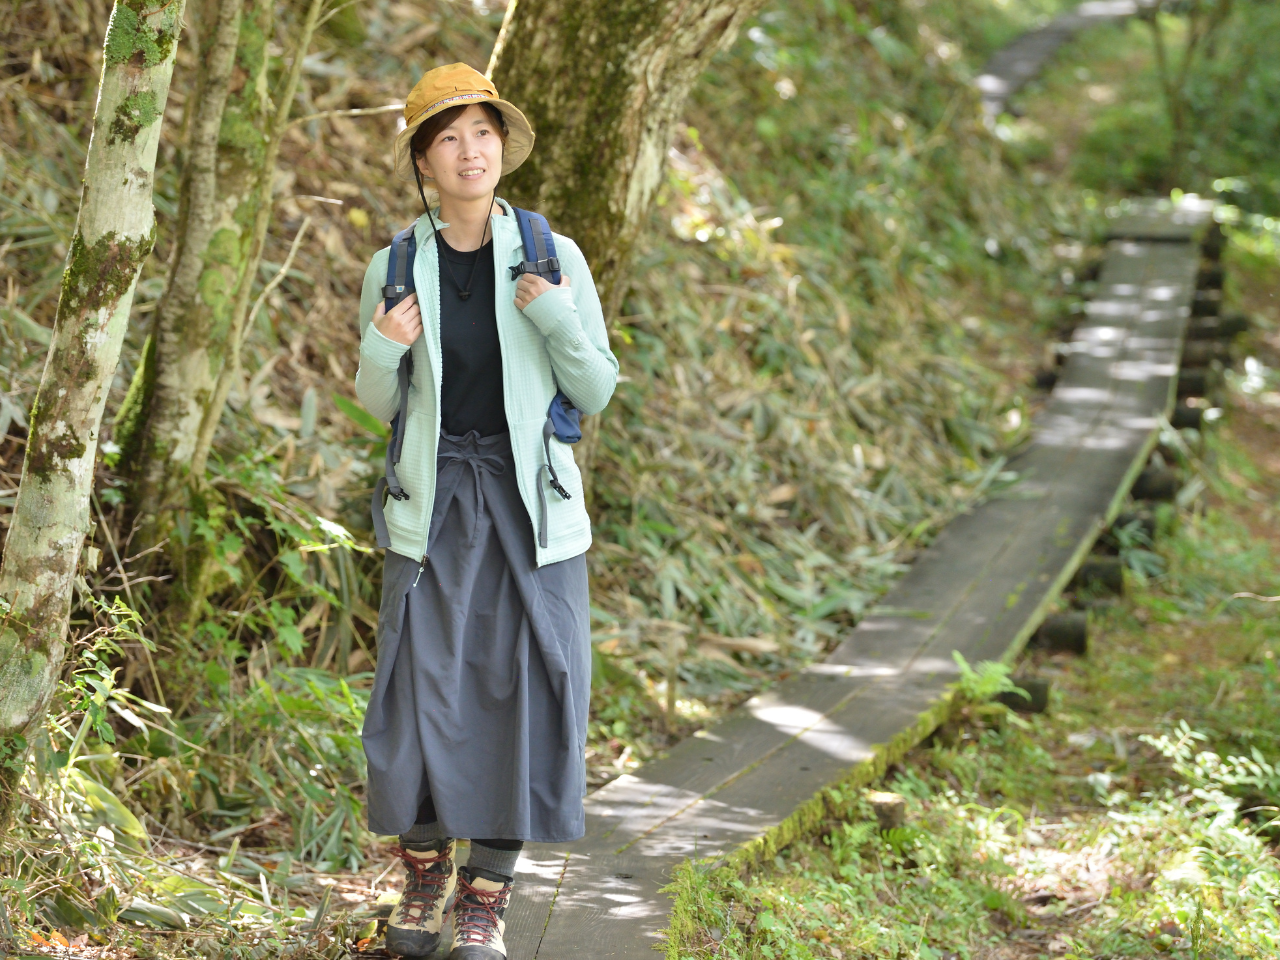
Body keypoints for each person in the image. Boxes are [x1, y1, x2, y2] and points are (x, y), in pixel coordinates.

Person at [354, 62, 618, 960]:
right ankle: (424, 877)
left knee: (531, 684)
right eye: (449, 137)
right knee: (415, 690)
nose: (471, 151)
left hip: (532, 510)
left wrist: (554, 319)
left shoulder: (552, 254)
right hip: (430, 509)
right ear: (424, 161)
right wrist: (381, 347)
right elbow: (373, 404)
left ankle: (486, 897)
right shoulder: (395, 264)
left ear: (502, 146)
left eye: (483, 133)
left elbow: (597, 388)